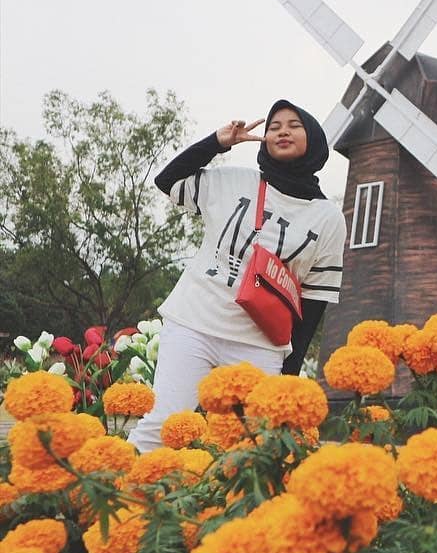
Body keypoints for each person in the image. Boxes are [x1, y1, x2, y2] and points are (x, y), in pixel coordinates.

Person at [127, 100, 346, 452]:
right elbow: (168, 181)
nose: (282, 131)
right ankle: (123, 493)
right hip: (194, 322)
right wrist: (218, 142)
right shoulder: (233, 182)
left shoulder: (328, 218)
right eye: (274, 126)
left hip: (259, 343)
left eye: (294, 125)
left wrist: (288, 372)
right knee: (163, 423)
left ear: (315, 139)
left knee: (255, 443)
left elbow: (316, 298)